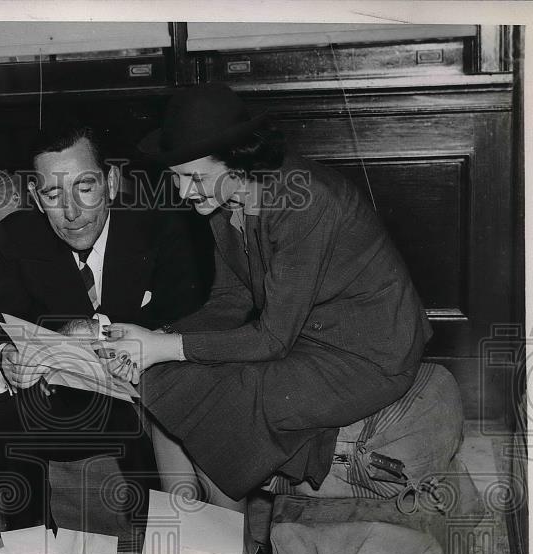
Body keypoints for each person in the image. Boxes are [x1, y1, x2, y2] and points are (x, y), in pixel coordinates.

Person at [103, 83, 433, 507]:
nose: (184, 193)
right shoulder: (224, 201)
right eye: (177, 179)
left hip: (368, 352)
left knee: (227, 404)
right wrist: (153, 342)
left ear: (238, 163)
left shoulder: (304, 201)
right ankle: (188, 543)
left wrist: (163, 346)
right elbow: (230, 299)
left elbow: (272, 339)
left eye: (194, 178)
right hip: (304, 336)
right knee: (161, 385)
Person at [0, 119, 206, 531]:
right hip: (62, 404)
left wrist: (96, 332)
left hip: (150, 392)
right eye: (54, 194)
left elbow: (192, 317)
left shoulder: (163, 225)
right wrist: (5, 362)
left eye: (85, 188)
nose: (71, 213)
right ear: (37, 198)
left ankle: (153, 548)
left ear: (111, 183)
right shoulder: (17, 238)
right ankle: (33, 542)